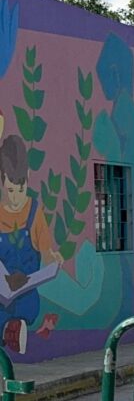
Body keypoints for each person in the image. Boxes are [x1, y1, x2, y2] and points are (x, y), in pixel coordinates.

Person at [0, 135, 60, 353]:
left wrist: (54, 258)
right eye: (10, 191)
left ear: (28, 177)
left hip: (25, 296)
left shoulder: (35, 213)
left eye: (21, 189)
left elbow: (46, 250)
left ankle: (15, 330)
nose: (16, 198)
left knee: (26, 310)